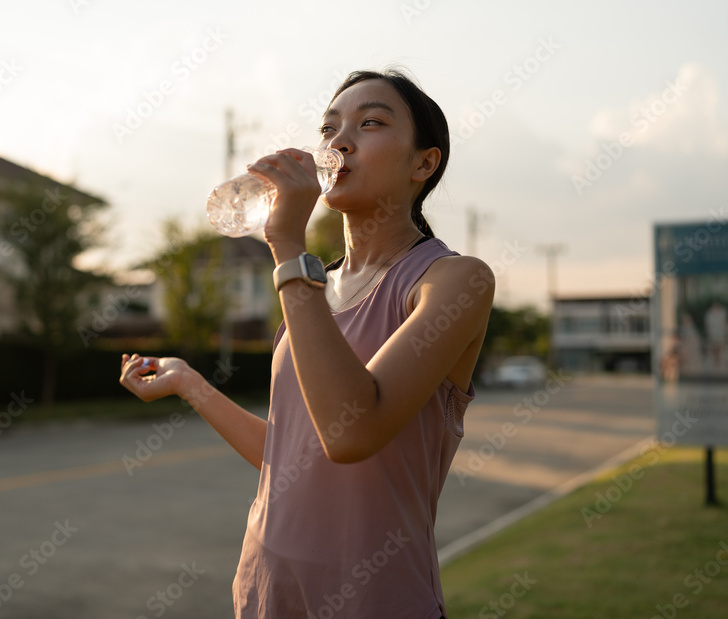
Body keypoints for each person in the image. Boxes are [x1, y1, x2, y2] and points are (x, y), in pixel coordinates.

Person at [119, 68, 494, 618]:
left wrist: (289, 245)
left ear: (423, 163)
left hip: (376, 601)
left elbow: (352, 432)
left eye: (370, 123)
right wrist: (191, 385)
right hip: (265, 590)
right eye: (328, 129)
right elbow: (290, 458)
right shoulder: (313, 290)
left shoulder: (454, 281)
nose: (338, 142)